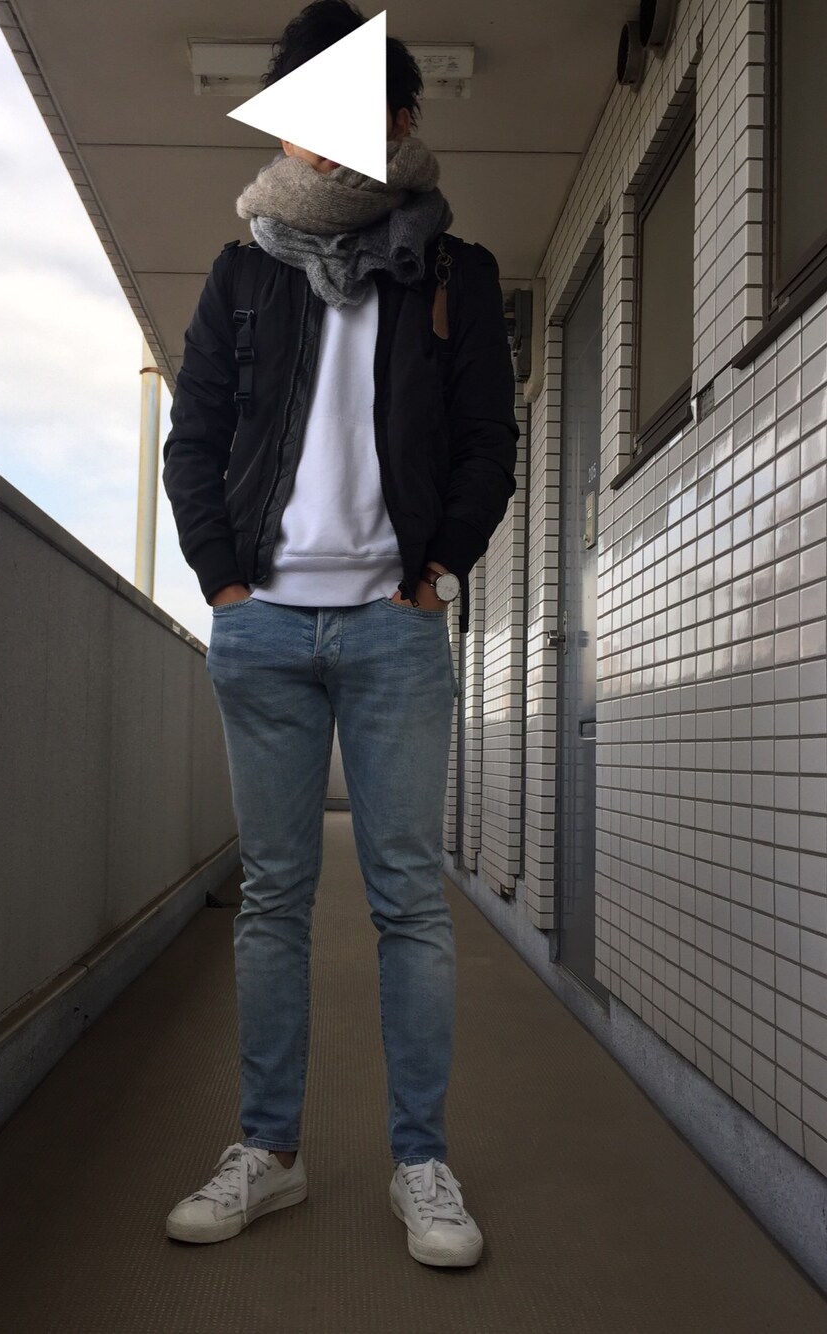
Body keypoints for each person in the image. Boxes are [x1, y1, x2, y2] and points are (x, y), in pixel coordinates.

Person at [162, 0, 518, 1269]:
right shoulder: (245, 271)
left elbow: (489, 443)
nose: (314, 141)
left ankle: (420, 1159)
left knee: (408, 898)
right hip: (261, 626)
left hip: (391, 629)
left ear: (399, 121)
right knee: (273, 897)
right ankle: (269, 1152)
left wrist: (439, 565)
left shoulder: (453, 273)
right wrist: (222, 581)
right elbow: (197, 435)